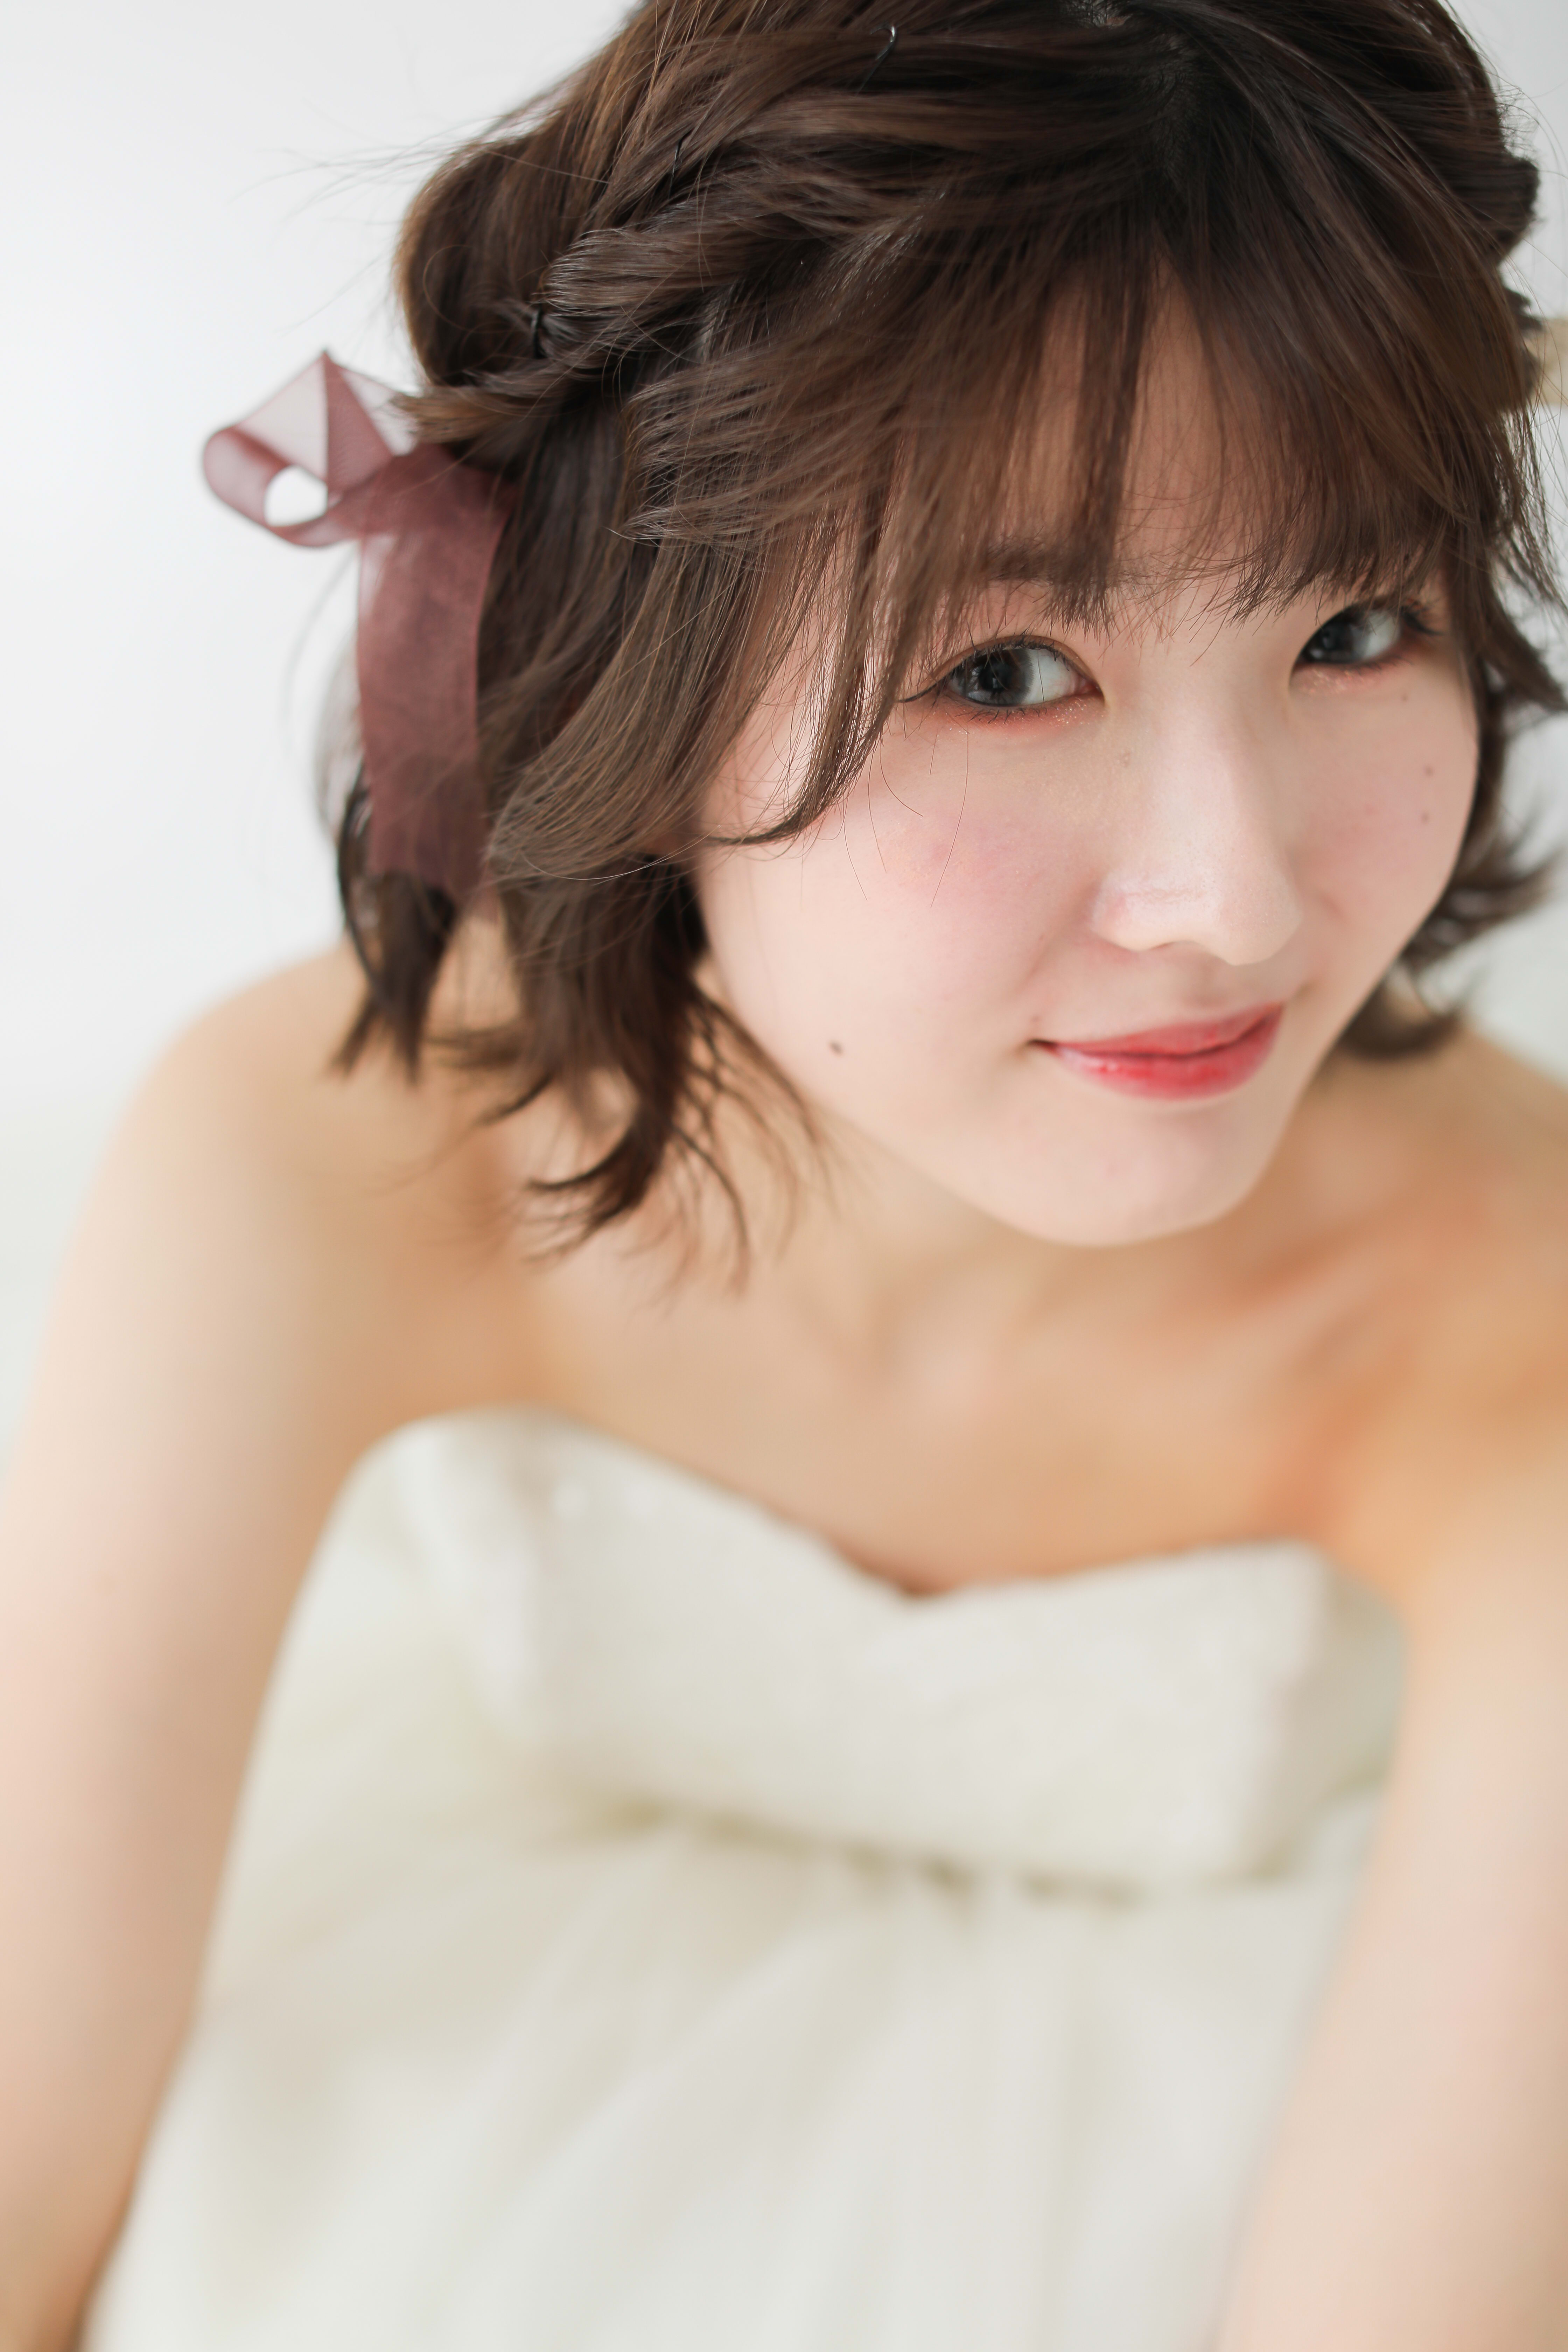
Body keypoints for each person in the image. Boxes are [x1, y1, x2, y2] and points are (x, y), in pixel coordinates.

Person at [5, 0, 1568, 2343]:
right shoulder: (322, 1153)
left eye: (1354, 628)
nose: (1235, 902)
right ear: (626, 692)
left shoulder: (1524, 1301)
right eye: (1008, 673)